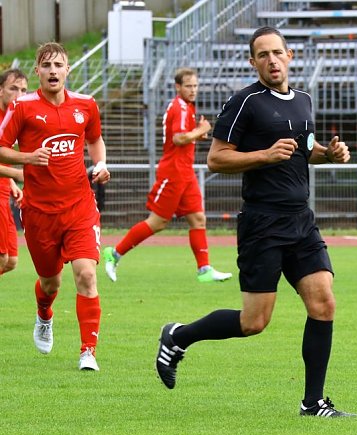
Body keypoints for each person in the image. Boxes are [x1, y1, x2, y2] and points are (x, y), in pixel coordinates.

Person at [154, 27, 355, 418]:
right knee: (253, 322)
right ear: (253, 62)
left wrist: (328, 154)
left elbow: (303, 150)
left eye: (277, 53)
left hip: (301, 220)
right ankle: (178, 336)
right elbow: (216, 159)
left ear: (290, 55)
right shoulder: (244, 102)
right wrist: (263, 155)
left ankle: (313, 402)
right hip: (262, 223)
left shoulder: (304, 100)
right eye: (262, 55)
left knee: (323, 301)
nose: (272, 60)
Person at [0, 42, 110, 371]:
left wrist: (101, 164)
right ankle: (44, 315)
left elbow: (94, 139)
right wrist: (28, 158)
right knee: (51, 283)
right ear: (37, 71)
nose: (52, 70)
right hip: (39, 211)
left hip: (79, 206)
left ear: (67, 70)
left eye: (58, 65)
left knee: (87, 274)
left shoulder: (86, 105)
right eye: (46, 65)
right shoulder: (22, 107)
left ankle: (88, 351)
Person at [101, 67, 232, 284]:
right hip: (173, 172)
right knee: (158, 222)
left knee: (198, 219)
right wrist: (200, 131)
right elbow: (178, 139)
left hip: (185, 171)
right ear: (177, 87)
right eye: (188, 86)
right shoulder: (180, 107)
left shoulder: (186, 107)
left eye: (195, 86)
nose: (193, 90)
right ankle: (114, 253)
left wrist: (197, 134)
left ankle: (204, 269)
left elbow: (182, 138)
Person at [0, 69, 28, 280]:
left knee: (11, 262)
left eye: (23, 90)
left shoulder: (13, 118)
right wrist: (18, 174)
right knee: (1, 258)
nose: (19, 95)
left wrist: (11, 183)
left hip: (3, 194)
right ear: (0, 91)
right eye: (13, 88)